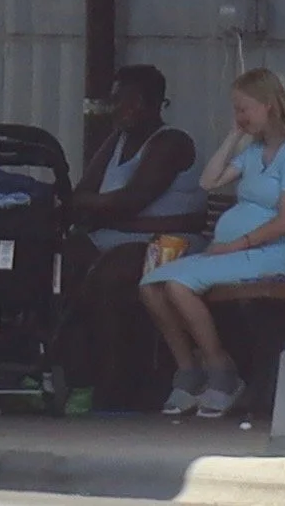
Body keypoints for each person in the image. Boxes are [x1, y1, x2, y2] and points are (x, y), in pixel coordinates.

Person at [139, 67, 285, 418]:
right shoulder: (252, 154)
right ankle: (189, 371)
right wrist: (233, 136)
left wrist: (234, 245)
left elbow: (284, 222)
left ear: (269, 106)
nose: (239, 116)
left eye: (244, 109)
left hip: (270, 255)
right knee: (150, 286)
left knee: (177, 285)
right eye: (235, 109)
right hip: (232, 253)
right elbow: (209, 182)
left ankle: (222, 373)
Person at [61, 64, 206, 408]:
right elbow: (79, 195)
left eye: (130, 101)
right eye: (117, 101)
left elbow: (133, 200)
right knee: (60, 261)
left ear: (154, 104)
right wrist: (102, 208)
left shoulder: (171, 142)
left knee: (110, 276)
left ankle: (117, 385)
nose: (120, 109)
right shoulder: (117, 139)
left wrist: (102, 209)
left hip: (170, 243)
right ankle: (68, 374)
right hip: (117, 235)